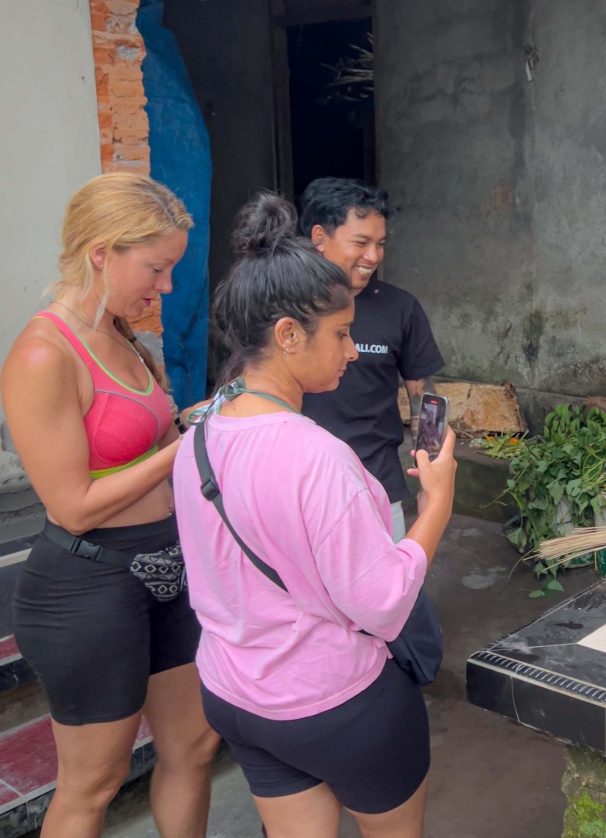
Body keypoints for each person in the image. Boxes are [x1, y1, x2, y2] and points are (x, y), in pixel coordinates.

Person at [173, 194, 457, 838]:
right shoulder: (317, 457)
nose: (353, 352)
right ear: (287, 335)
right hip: (332, 702)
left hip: (234, 695)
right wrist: (436, 504)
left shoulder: (199, 434)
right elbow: (381, 604)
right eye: (340, 333)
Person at [0, 172, 219, 837]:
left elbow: (150, 442)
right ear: (102, 252)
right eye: (156, 267)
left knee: (195, 748)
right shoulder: (43, 355)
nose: (168, 286)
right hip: (86, 585)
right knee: (93, 784)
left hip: (169, 570)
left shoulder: (127, 337)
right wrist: (179, 451)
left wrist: (196, 423)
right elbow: (73, 505)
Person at [298, 177, 445, 542]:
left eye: (379, 244)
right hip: (299, 486)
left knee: (391, 594)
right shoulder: (285, 305)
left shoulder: (399, 308)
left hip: (378, 487)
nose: (374, 257)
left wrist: (431, 471)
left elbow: (425, 398)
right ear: (319, 238)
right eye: (361, 243)